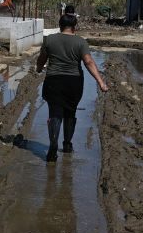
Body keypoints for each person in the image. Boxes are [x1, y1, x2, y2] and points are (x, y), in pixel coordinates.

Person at [36, 9, 108, 162]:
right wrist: (101, 82)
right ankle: (67, 145)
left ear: (60, 25)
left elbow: (42, 58)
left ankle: (53, 145)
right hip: (73, 82)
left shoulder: (49, 40)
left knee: (54, 113)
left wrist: (39, 68)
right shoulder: (81, 42)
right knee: (70, 112)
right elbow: (88, 62)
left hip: (53, 81)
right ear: (74, 27)